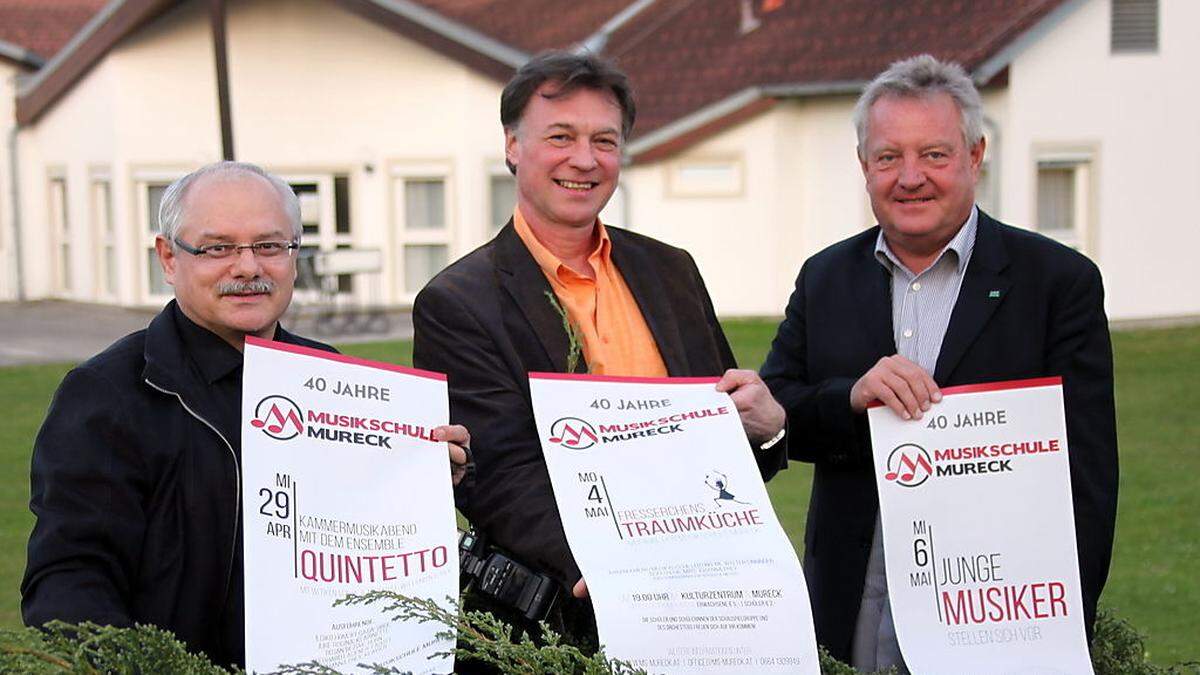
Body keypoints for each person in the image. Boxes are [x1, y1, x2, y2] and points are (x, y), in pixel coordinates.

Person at [21, 161, 471, 668]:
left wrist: (417, 482)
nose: (248, 268)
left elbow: (355, 535)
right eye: (218, 248)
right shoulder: (108, 397)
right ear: (169, 258)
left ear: (295, 256)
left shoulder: (335, 379)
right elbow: (68, 579)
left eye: (269, 246)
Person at [412, 51, 787, 648]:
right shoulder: (458, 302)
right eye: (560, 136)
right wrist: (618, 566)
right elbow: (496, 475)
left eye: (605, 141)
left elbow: (723, 446)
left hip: (711, 599)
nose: (584, 160)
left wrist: (766, 432)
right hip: (565, 621)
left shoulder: (672, 271)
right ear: (512, 145)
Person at [760, 54, 1118, 671]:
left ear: (976, 156)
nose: (910, 177)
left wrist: (1060, 630)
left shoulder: (1057, 283)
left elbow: (1086, 478)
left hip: (998, 604)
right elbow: (776, 411)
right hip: (855, 598)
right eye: (888, 157)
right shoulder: (826, 278)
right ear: (863, 166)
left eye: (934, 154)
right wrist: (851, 399)